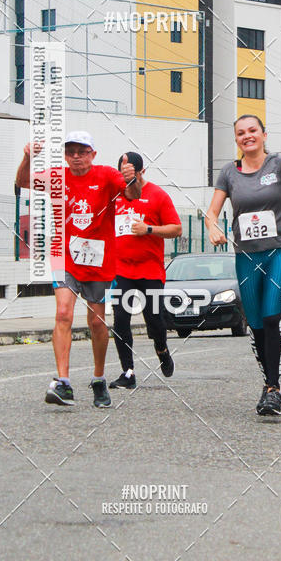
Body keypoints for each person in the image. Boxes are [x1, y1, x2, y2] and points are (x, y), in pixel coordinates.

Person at [15, 131, 140, 407]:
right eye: (70, 151)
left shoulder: (107, 175)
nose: (75, 157)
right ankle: (63, 382)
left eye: (82, 151)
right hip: (64, 255)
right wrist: (27, 157)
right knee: (62, 313)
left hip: (98, 258)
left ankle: (98, 379)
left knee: (97, 322)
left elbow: (132, 195)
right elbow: (22, 181)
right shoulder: (58, 177)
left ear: (92, 155)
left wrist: (132, 177)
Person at [205, 116, 281, 416]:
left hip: (279, 251)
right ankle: (268, 383)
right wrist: (213, 228)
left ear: (264, 135)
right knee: (255, 324)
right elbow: (211, 212)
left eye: (253, 131)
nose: (247, 136)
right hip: (247, 256)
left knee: (271, 315)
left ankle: (274, 389)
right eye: (241, 133)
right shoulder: (229, 172)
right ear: (236, 139)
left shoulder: (278, 164)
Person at [109, 152, 182, 389]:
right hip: (121, 270)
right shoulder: (116, 196)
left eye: (132, 173)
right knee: (120, 320)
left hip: (150, 271)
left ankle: (161, 349)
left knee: (155, 320)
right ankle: (127, 372)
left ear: (142, 172)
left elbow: (177, 229)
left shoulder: (158, 195)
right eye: (123, 174)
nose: (128, 179)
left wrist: (149, 229)